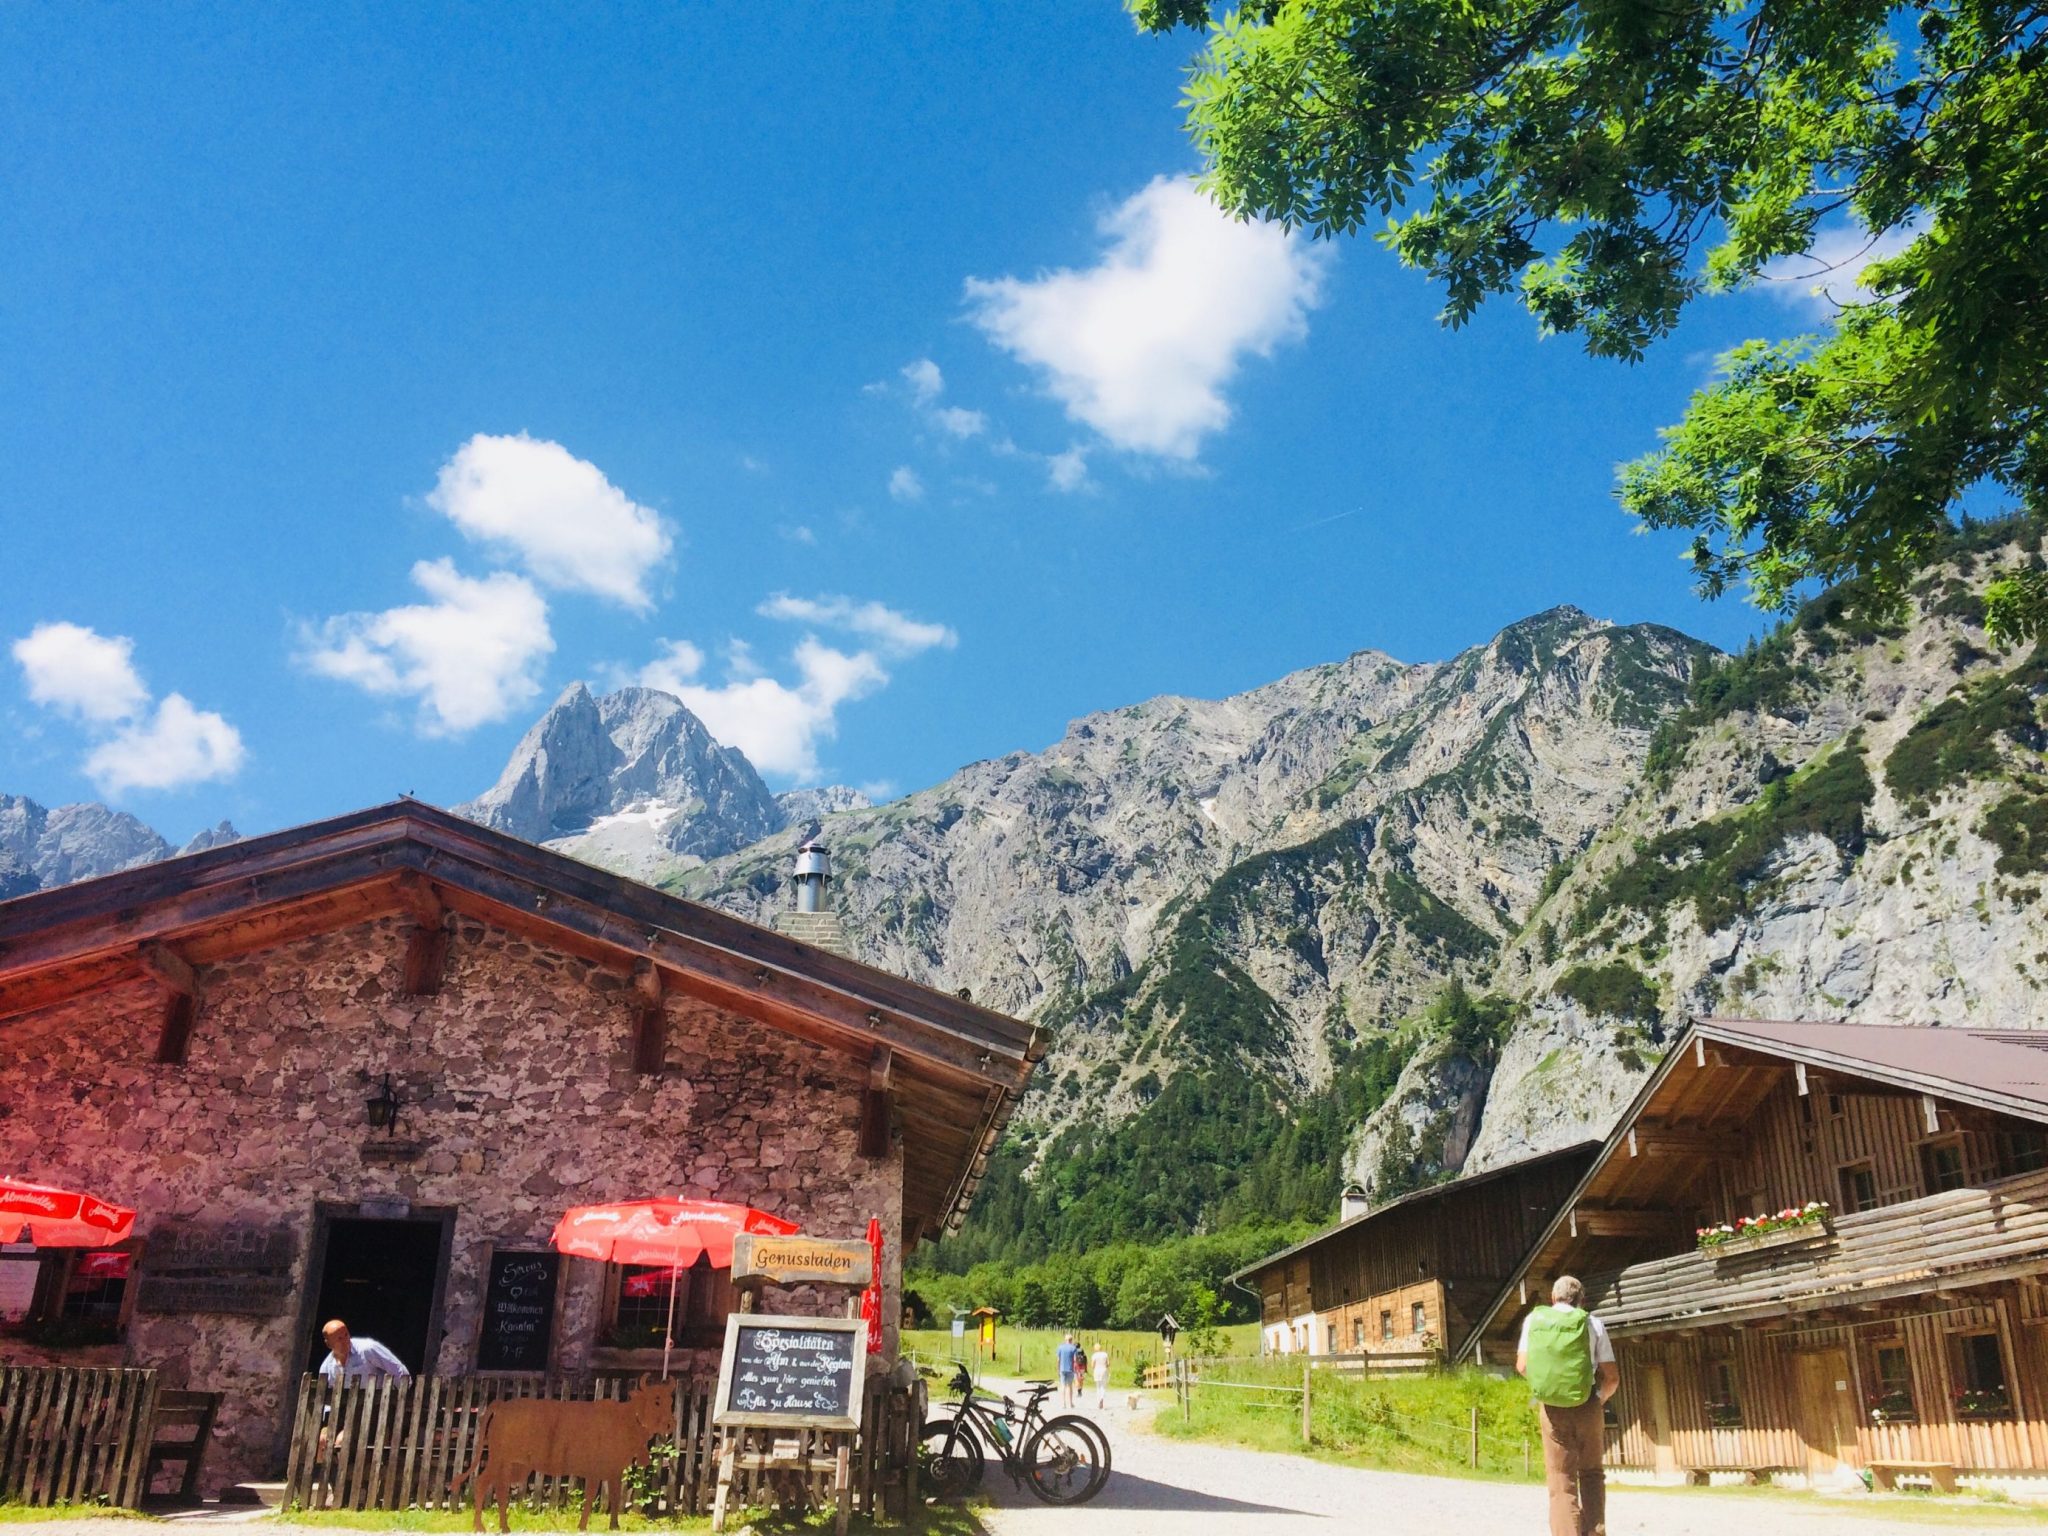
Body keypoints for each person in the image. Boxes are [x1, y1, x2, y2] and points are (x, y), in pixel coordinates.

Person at [1517, 1277, 1617, 1536]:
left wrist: (1548, 1387)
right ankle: (1595, 1531)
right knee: (1592, 1472)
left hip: (1551, 1407)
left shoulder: (1534, 1321)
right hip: (1588, 1404)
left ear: (1552, 1298)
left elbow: (1522, 1366)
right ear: (1581, 1299)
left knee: (1561, 1477)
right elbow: (1612, 1376)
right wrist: (1599, 1399)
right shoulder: (1592, 1323)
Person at [320, 1319, 412, 1382]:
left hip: (380, 1406)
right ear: (328, 1344)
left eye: (346, 1335)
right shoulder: (327, 1367)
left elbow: (399, 1372)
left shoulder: (367, 1349)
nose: (345, 1340)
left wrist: (398, 1400)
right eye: (339, 1338)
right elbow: (326, 1401)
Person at [1054, 1332, 1082, 1409]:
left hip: (1062, 1369)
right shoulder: (1073, 1348)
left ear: (1065, 1340)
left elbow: (1058, 1360)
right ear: (1071, 1340)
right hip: (1070, 1369)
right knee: (1069, 1386)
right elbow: (1075, 1360)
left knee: (1062, 1386)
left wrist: (1058, 1369)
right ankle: (1071, 1403)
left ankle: (1063, 1404)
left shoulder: (1060, 1347)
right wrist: (1077, 1370)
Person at [1090, 1340, 1111, 1410]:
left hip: (1097, 1370)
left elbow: (1092, 1365)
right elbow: (1108, 1363)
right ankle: (1102, 1399)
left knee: (1098, 1387)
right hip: (1104, 1370)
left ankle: (1099, 1400)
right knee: (1103, 1386)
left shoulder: (1094, 1355)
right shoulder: (1105, 1354)